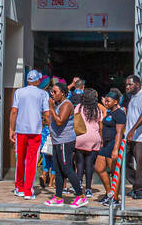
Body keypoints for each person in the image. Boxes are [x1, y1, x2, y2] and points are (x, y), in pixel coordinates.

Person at [45, 81, 86, 206]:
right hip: (57, 141)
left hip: (65, 141)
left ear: (63, 93)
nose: (52, 94)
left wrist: (51, 108)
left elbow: (60, 121)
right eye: (51, 92)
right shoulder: (59, 104)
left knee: (67, 168)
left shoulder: (66, 104)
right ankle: (58, 197)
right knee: (58, 170)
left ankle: (80, 195)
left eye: (55, 92)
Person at [10, 69, 49, 199]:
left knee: (20, 159)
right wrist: (51, 128)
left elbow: (14, 111)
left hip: (21, 130)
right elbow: (47, 113)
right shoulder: (43, 94)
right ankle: (28, 191)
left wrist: (11, 129)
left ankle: (19, 187)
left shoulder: (19, 92)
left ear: (28, 80)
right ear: (37, 81)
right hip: (35, 131)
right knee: (32, 161)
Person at [123, 73, 142, 200]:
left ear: (138, 85)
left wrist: (132, 130)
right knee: (125, 162)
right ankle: (136, 185)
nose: (127, 87)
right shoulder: (132, 97)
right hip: (130, 137)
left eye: (130, 84)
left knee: (141, 164)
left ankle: (140, 190)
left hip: (141, 137)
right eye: (126, 85)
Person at [95, 89, 126, 205]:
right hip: (106, 144)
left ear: (116, 102)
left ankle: (115, 198)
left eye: (108, 101)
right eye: (105, 101)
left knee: (114, 171)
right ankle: (109, 193)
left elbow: (119, 132)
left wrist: (115, 149)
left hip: (114, 143)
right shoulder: (109, 112)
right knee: (99, 168)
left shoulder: (120, 114)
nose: (106, 103)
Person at [73, 88, 104, 197]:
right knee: (89, 165)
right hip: (94, 138)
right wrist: (101, 139)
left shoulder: (78, 107)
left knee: (80, 163)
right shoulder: (97, 109)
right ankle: (89, 189)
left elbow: (75, 121)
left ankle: (79, 185)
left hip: (80, 137)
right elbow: (100, 126)